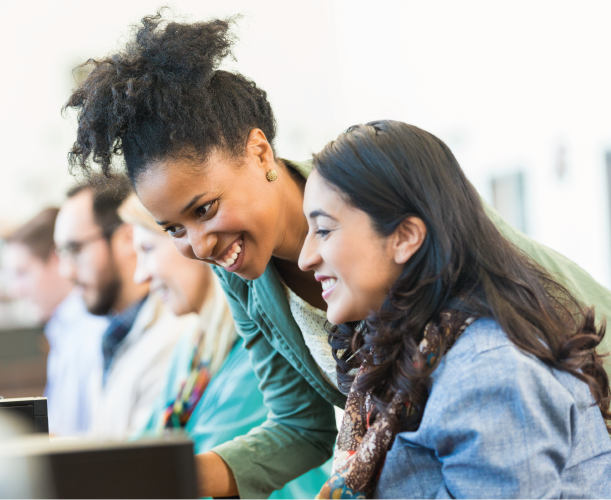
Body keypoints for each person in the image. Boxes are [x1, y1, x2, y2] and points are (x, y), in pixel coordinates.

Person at [63, 12, 611, 498]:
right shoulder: (246, 276)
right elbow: (304, 428)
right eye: (172, 230)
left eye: (204, 209)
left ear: (259, 152)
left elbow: (516, 363)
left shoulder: (393, 207)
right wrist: (161, 477)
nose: (198, 247)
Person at [301, 120, 611, 498]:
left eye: (323, 230)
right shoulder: (416, 351)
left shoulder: (487, 373)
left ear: (405, 237)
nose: (305, 258)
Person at [119, 194, 330, 499]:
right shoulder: (191, 350)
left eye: (148, 249)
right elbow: (144, 451)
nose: (141, 274)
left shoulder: (256, 354)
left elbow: (192, 482)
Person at [53, 175, 189, 439]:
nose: (66, 271)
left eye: (75, 249)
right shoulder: (114, 333)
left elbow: (145, 459)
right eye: (61, 253)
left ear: (126, 238)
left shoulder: (174, 334)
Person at [2, 208, 108, 436]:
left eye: (22, 273)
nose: (14, 290)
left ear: (56, 260)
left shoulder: (91, 332)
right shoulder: (63, 331)